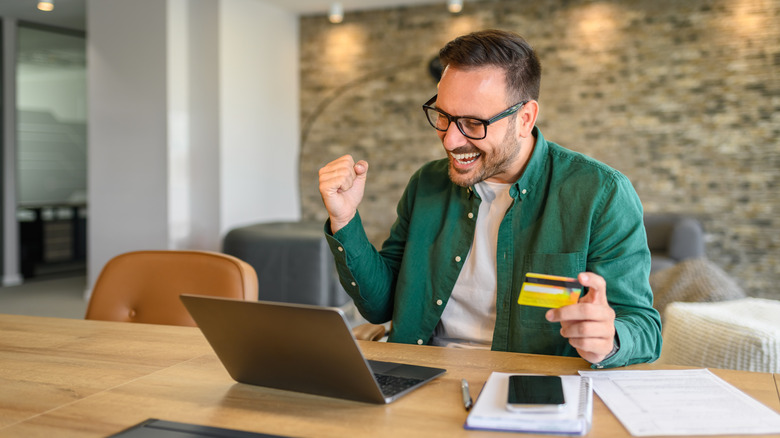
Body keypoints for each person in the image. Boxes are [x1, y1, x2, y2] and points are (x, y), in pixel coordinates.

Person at [318, 29, 661, 368]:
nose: (451, 140)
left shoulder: (600, 193)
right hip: (419, 376)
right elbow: (382, 306)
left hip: (527, 388)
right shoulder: (427, 183)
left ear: (524, 119)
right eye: (443, 116)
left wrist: (610, 338)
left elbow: (645, 329)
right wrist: (345, 220)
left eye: (472, 123)